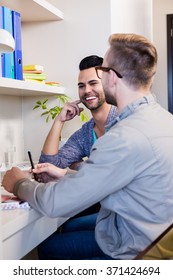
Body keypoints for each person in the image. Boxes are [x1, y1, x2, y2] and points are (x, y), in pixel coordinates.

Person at [3, 33, 173, 260]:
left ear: (112, 77)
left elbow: (55, 203)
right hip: (149, 236)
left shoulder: (123, 135)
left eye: (100, 75)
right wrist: (66, 172)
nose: (92, 86)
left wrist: (19, 183)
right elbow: (120, 171)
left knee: (45, 251)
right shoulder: (163, 119)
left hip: (134, 252)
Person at [38, 55, 118, 232]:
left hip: (125, 217)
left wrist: (78, 167)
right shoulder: (86, 133)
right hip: (105, 209)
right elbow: (48, 165)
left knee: (57, 237)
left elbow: (109, 174)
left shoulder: (123, 119)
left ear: (106, 83)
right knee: (63, 228)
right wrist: (59, 121)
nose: (86, 90)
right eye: (81, 86)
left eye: (93, 83)